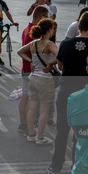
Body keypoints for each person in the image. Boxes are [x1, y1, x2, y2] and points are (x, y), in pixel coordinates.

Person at [48, 12, 88, 174]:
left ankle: (56, 164)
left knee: (62, 129)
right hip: (86, 92)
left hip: (66, 90)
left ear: (78, 26)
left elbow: (61, 66)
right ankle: (76, 164)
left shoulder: (66, 44)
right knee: (82, 131)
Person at [17, 18, 58, 146]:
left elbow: (20, 51)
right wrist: (51, 64)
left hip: (33, 78)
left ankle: (31, 134)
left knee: (32, 109)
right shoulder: (49, 44)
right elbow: (61, 56)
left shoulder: (34, 43)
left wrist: (30, 62)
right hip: (45, 80)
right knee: (44, 110)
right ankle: (40, 137)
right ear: (49, 29)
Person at [17, 6, 49, 133]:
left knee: (26, 97)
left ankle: (23, 124)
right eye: (46, 16)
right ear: (41, 16)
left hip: (26, 68)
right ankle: (26, 125)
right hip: (31, 70)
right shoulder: (34, 32)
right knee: (30, 100)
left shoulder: (26, 28)